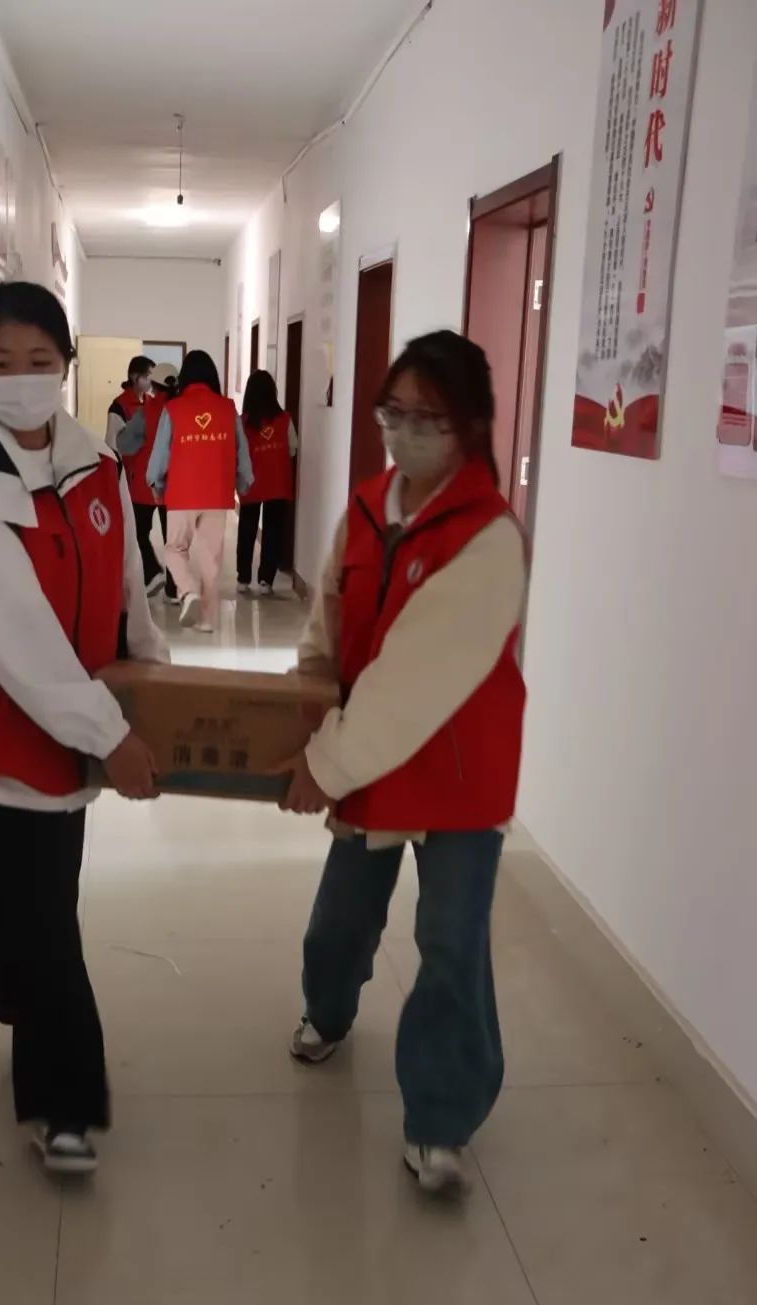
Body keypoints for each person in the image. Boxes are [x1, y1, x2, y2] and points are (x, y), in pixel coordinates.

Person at [0, 282, 168, 1178]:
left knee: (48, 927)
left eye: (39, 361)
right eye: (0, 362)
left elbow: (126, 590)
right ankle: (25, 1004)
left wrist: (154, 690)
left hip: (56, 755)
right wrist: (108, 731)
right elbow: (12, 629)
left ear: (65, 366)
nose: (21, 377)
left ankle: (64, 1109)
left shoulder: (97, 467)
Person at [280, 331, 527, 1197]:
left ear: (472, 425)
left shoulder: (488, 538)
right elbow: (329, 611)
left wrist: (325, 763)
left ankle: (441, 1120)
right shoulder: (365, 505)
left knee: (450, 943)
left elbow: (415, 681)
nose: (406, 432)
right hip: (372, 759)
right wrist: (306, 687)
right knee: (341, 921)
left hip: (456, 769)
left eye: (430, 418)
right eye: (396, 412)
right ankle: (328, 1011)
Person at [147, 350, 253, 633]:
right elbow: (242, 452)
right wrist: (244, 483)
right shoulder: (228, 409)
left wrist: (156, 483)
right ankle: (206, 621)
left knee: (174, 549)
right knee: (210, 558)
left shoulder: (173, 409)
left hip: (181, 493)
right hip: (217, 494)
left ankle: (187, 590)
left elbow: (160, 454)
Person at [116, 362, 180, 601]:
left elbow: (124, 444)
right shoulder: (182, 410)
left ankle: (152, 571)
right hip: (175, 485)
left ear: (155, 385)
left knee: (138, 533)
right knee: (173, 540)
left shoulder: (146, 412)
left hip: (146, 484)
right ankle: (174, 590)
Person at [236, 369, 298, 596]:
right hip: (277, 484)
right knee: (273, 531)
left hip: (250, 484)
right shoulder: (285, 420)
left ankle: (243, 579)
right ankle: (266, 581)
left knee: (247, 529)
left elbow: (236, 453)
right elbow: (292, 449)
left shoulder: (243, 423)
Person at [105, 354, 155, 452]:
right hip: (128, 459)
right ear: (134, 376)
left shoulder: (152, 401)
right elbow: (112, 444)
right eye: (147, 376)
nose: (151, 381)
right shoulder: (119, 406)